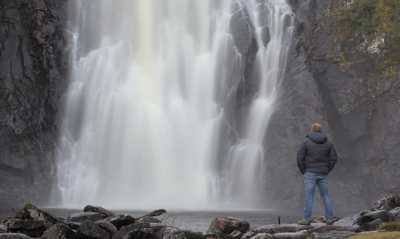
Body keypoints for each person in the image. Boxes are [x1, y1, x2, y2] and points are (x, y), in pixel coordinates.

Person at [297, 123, 338, 225]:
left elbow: (299, 157)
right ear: (321, 130)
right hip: (323, 173)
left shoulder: (306, 142)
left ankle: (307, 219)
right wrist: (327, 169)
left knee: (309, 196)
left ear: (312, 130)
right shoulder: (328, 143)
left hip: (309, 172)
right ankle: (329, 218)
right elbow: (334, 158)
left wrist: (303, 170)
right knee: (325, 196)